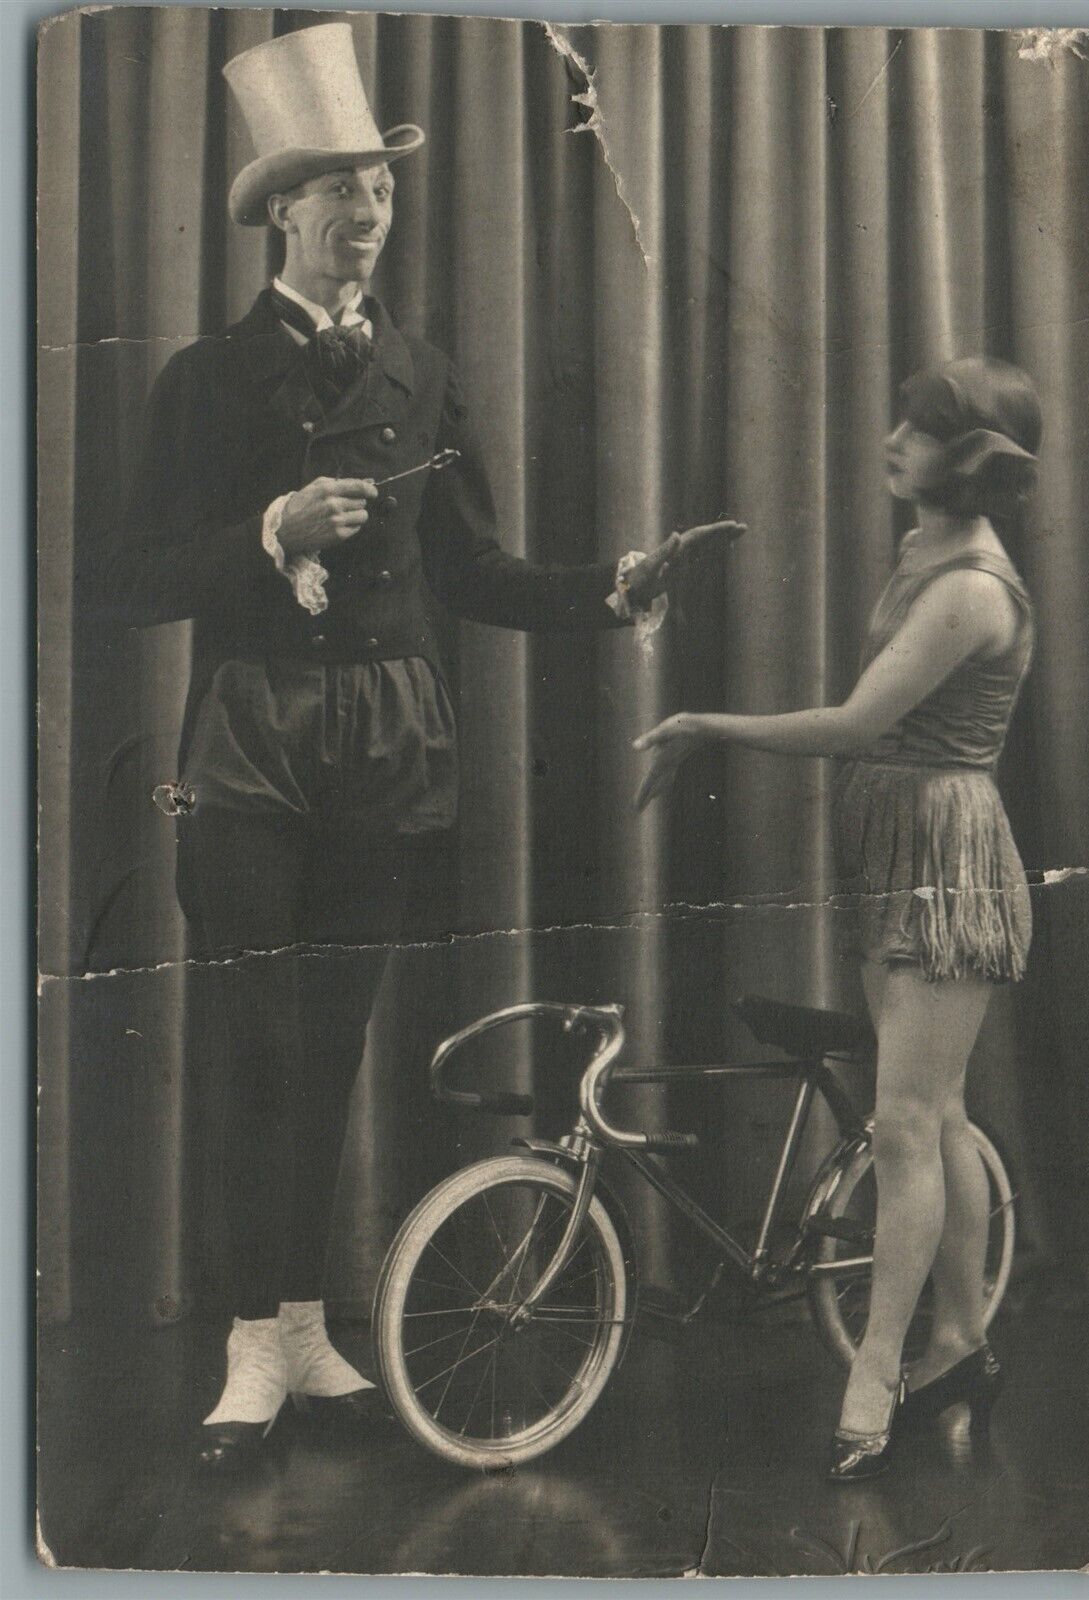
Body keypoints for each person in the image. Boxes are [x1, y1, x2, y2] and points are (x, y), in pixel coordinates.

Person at [97, 22, 742, 1471]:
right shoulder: (204, 380)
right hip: (252, 744)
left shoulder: (425, 375)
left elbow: (476, 575)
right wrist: (268, 532)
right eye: (338, 189)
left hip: (387, 748)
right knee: (251, 1048)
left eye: (379, 191)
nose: (366, 212)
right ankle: (246, 1345)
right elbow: (124, 578)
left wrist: (606, 590)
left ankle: (307, 1325)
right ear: (282, 213)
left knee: (327, 1053)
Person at [635, 356, 1041, 1481]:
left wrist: (709, 724)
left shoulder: (970, 586)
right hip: (903, 840)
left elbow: (862, 720)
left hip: (945, 853)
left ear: (965, 460)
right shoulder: (928, 551)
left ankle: (878, 1371)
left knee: (906, 1125)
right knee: (936, 1115)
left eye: (916, 433)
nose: (891, 443)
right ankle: (962, 1344)